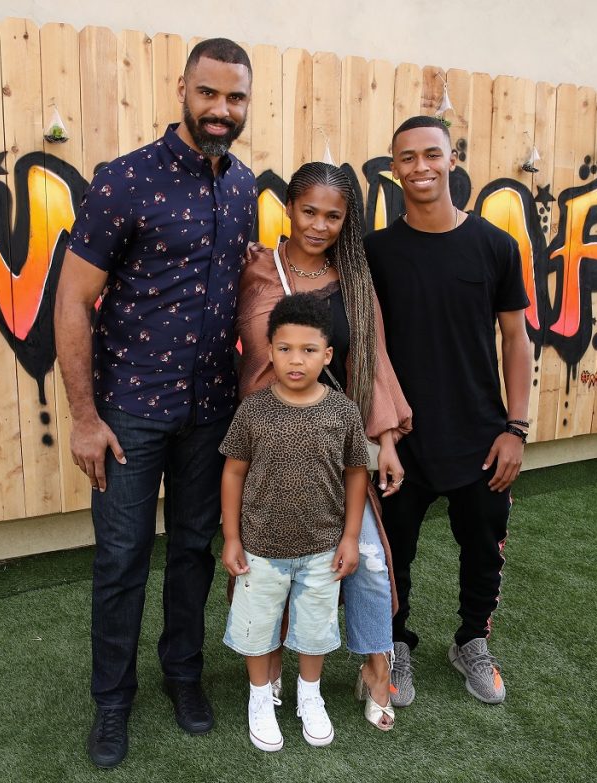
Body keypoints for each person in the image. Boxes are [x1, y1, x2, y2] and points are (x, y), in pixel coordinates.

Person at [53, 38, 255, 769]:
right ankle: (112, 701)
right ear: (183, 90)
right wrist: (84, 416)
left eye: (235, 98)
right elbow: (72, 301)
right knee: (121, 556)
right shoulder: (124, 181)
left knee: (195, 550)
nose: (221, 110)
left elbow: (248, 301)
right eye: (209, 94)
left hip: (212, 409)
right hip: (130, 408)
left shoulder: (244, 186)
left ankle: (183, 675)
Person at [237, 162, 412, 731]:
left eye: (333, 215)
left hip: (338, 439)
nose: (319, 225)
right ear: (289, 207)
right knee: (276, 562)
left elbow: (373, 359)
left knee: (366, 561)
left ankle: (375, 667)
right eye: (309, 211)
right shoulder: (256, 268)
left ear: (346, 220)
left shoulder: (354, 280)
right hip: (269, 444)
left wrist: (383, 440)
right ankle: (272, 673)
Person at [364, 115, 533, 707]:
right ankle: (395, 645)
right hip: (400, 436)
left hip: (481, 436)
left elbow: (516, 338)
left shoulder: (495, 246)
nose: (420, 167)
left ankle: (471, 642)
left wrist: (516, 426)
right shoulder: (374, 252)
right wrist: (379, 433)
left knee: (483, 549)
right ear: (393, 168)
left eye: (431, 154)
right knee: (392, 556)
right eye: (406, 158)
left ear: (453, 158)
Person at [220, 293, 369, 751]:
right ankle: (260, 699)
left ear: (327, 355)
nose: (295, 360)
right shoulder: (254, 410)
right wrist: (230, 537)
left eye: (308, 350)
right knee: (259, 626)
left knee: (314, 628)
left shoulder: (342, 411)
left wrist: (349, 538)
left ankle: (310, 695)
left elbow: (357, 472)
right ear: (269, 351)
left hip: (322, 548)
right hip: (261, 548)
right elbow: (233, 471)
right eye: (284, 349)